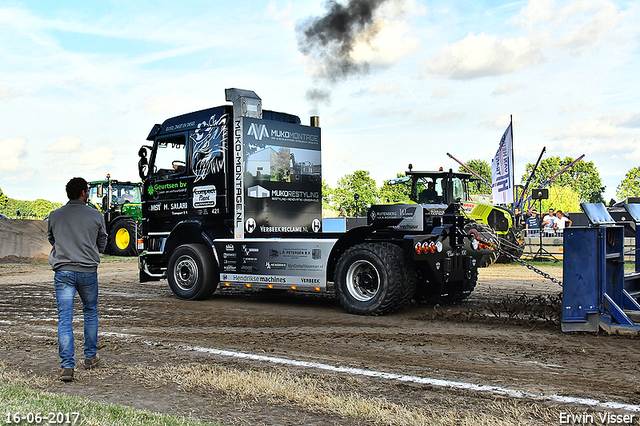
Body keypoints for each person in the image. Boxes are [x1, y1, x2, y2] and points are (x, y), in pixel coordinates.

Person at [47, 177, 108, 382]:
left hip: (63, 271)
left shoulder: (54, 215)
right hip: (88, 271)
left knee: (65, 318)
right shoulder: (96, 215)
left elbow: (51, 238)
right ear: (83, 192)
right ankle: (90, 358)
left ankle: (67, 366)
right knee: (90, 311)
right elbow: (102, 240)